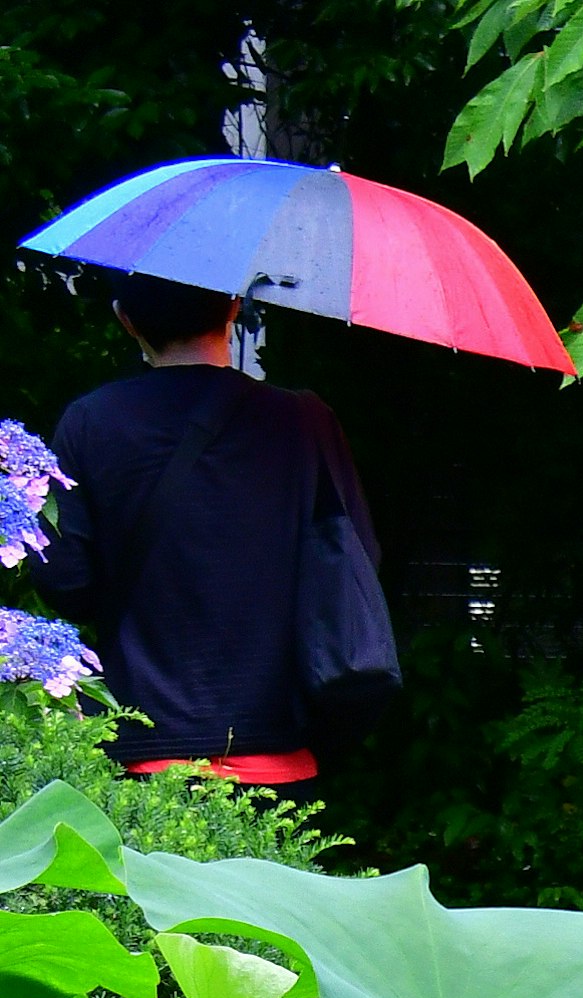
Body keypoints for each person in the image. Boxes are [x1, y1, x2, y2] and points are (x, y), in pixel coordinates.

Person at [33, 271, 390, 796]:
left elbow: (65, 582)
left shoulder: (91, 421)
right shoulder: (303, 420)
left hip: (143, 744)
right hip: (279, 747)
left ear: (125, 320)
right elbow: (359, 562)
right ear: (231, 307)